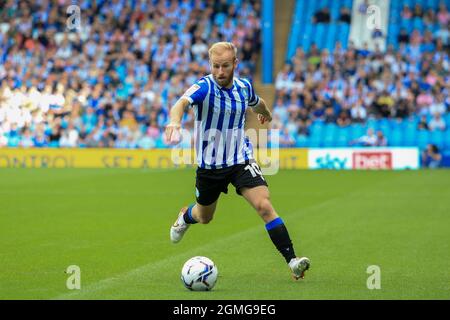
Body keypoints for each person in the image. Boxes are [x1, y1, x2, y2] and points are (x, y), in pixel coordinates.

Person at [165, 42, 310, 280]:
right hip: (210, 167)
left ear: (235, 64)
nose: (220, 72)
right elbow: (180, 104)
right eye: (215, 66)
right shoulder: (204, 87)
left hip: (240, 160)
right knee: (204, 217)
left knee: (264, 205)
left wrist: (266, 113)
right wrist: (175, 122)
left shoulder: (243, 87)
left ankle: (292, 261)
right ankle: (185, 216)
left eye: (224, 66)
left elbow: (257, 102)